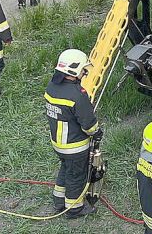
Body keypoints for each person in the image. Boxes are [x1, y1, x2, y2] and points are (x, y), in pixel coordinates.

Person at [45, 48, 102, 219]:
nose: (85, 73)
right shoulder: (77, 95)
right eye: (84, 70)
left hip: (58, 144)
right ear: (75, 70)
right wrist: (97, 132)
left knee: (66, 170)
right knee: (77, 176)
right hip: (75, 147)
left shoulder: (51, 87)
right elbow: (88, 124)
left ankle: (59, 200)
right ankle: (74, 208)